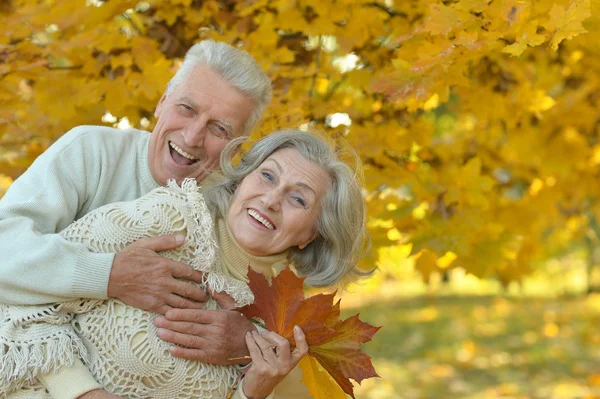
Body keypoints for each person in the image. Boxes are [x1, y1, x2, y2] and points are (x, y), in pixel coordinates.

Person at [0, 130, 370, 399]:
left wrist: (252, 391)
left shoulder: (274, 329)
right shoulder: (169, 218)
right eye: (267, 176)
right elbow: (24, 301)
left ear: (312, 235)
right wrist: (82, 392)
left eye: (298, 199)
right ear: (242, 180)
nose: (271, 199)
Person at [0, 39, 273, 381]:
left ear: (237, 147)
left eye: (219, 129)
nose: (192, 136)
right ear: (161, 103)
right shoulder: (90, 152)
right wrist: (111, 275)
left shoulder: (240, 219)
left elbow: (273, 346)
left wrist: (246, 344)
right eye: (187, 108)